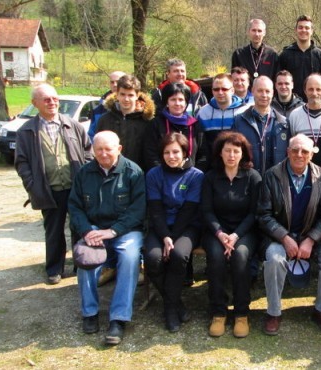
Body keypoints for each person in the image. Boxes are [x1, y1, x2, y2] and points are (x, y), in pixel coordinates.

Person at [257, 134, 321, 335]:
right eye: (295, 150)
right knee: (275, 259)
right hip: (279, 236)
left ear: (312, 154)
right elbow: (263, 214)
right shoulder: (272, 176)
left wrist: (311, 239)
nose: (299, 154)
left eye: (305, 151)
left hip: (311, 237)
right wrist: (284, 237)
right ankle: (274, 313)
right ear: (287, 152)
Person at [68, 131, 146, 345]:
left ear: (119, 149)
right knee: (86, 256)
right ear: (92, 150)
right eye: (98, 149)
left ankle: (119, 318)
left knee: (129, 257)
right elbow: (74, 207)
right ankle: (90, 312)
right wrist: (86, 231)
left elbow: (138, 210)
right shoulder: (84, 173)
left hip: (126, 230)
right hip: (93, 229)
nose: (103, 153)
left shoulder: (133, 172)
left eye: (108, 149)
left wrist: (113, 231)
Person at [15, 83, 92, 285]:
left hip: (75, 188)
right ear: (35, 103)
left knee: (79, 228)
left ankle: (80, 265)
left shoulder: (72, 125)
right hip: (49, 190)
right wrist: (32, 185)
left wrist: (87, 178)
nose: (52, 102)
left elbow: (88, 151)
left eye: (54, 98)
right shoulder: (26, 131)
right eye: (46, 99)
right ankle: (54, 269)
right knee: (53, 231)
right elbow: (21, 162)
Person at [202, 131, 262, 338]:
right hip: (216, 231)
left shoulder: (253, 177)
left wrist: (235, 236)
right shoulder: (210, 177)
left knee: (241, 256)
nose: (231, 155)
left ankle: (241, 313)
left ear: (242, 154)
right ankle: (218, 312)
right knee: (216, 258)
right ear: (220, 153)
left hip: (244, 231)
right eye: (227, 150)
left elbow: (255, 213)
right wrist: (220, 234)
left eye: (236, 151)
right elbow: (206, 210)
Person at [144, 133, 203, 332]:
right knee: (153, 259)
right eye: (167, 152)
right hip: (160, 228)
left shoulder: (196, 175)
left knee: (178, 255)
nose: (171, 156)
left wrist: (173, 237)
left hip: (187, 228)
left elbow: (189, 211)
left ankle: (169, 310)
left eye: (176, 152)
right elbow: (155, 209)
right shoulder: (153, 174)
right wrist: (165, 236)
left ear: (185, 153)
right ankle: (176, 304)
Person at [96, 74, 155, 170]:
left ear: (137, 96)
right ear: (117, 94)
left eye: (130, 95)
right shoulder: (104, 120)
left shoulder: (147, 123)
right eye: (122, 94)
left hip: (137, 176)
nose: (126, 99)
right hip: (109, 175)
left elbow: (150, 154)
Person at [145, 82, 209, 172]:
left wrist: (194, 175)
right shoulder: (156, 124)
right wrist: (161, 175)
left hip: (191, 179)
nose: (177, 103)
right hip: (163, 177)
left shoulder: (195, 125)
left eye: (181, 100)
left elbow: (203, 155)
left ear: (186, 102)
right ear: (166, 102)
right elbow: (150, 154)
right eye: (173, 99)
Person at [232, 76, 289, 175]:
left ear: (273, 93)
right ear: (253, 91)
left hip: (276, 181)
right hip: (248, 181)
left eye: (267, 91)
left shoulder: (284, 124)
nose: (264, 95)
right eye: (260, 91)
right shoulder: (239, 121)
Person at [197, 73, 249, 158]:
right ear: (212, 91)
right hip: (212, 166)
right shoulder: (203, 113)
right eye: (216, 89)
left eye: (224, 89)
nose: (220, 92)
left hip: (238, 164)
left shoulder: (245, 111)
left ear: (232, 90)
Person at [278, 15, 321, 100]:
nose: (303, 30)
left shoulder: (320, 55)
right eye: (300, 27)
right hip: (291, 104)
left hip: (314, 102)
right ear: (295, 30)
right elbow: (279, 80)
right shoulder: (285, 55)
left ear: (311, 31)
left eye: (307, 28)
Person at [88, 70, 125, 141]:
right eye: (112, 82)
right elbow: (92, 136)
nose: (115, 84)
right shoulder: (99, 110)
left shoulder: (137, 108)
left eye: (118, 82)